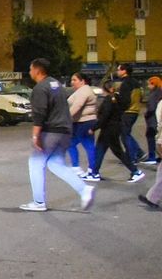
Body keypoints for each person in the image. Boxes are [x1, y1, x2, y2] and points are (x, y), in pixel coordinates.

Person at [21, 58, 95, 212]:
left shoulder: (40, 88)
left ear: (37, 70)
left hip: (51, 131)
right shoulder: (57, 85)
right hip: (65, 130)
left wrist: (35, 136)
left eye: (30, 69)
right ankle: (84, 189)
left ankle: (39, 202)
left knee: (35, 164)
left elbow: (39, 113)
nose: (30, 72)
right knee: (55, 164)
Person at [86, 79, 144, 184]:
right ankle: (94, 173)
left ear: (108, 89)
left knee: (117, 151)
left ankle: (135, 171)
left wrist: (94, 128)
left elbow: (105, 116)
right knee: (100, 149)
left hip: (109, 129)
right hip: (115, 127)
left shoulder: (109, 99)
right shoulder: (119, 98)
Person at [66, 72, 99, 177]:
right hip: (79, 122)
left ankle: (92, 171)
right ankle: (76, 167)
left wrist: (66, 118)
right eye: (72, 80)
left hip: (85, 122)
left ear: (82, 81)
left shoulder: (84, 91)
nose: (72, 82)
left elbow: (77, 106)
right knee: (70, 143)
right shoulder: (80, 91)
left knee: (88, 146)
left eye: (74, 80)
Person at [116, 64, 144, 165]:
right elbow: (141, 96)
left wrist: (116, 99)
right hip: (135, 111)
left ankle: (131, 157)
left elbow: (125, 100)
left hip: (127, 111)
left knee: (124, 135)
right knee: (126, 134)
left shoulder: (125, 83)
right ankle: (138, 152)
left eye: (118, 70)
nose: (117, 72)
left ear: (124, 71)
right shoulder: (135, 82)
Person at [143, 75, 162, 165]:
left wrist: (146, 114)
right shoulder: (160, 92)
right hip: (157, 119)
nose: (148, 86)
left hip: (153, 120)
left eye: (149, 85)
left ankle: (152, 157)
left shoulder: (154, 94)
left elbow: (151, 108)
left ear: (153, 84)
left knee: (151, 137)